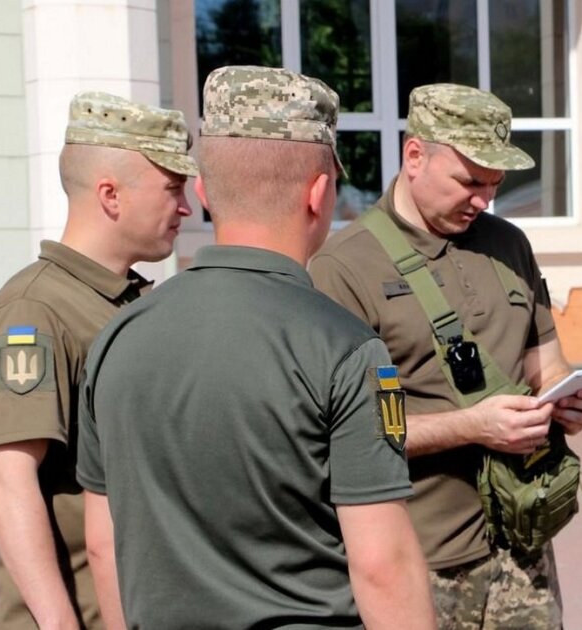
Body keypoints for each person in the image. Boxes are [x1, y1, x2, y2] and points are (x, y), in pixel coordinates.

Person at [75, 66, 436, 629]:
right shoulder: (345, 348)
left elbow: (104, 542)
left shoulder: (117, 338)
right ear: (318, 195)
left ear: (203, 191)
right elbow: (383, 565)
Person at [309, 83, 582, 628]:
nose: (483, 200)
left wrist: (567, 398)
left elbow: (546, 360)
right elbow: (347, 434)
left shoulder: (509, 243)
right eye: (469, 181)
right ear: (414, 156)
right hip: (419, 558)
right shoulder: (344, 267)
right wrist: (472, 426)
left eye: (495, 184)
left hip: (522, 542)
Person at [0, 92, 197, 629]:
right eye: (172, 188)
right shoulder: (35, 309)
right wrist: (60, 624)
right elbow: (7, 478)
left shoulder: (134, 302)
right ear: (110, 195)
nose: (186, 208)